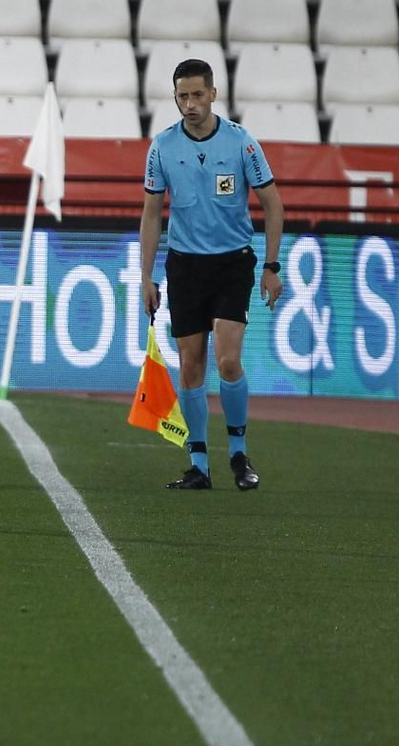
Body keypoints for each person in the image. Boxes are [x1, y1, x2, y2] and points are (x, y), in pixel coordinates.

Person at [139, 58, 285, 492]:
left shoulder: (241, 144)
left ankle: (239, 454)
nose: (190, 104)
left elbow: (273, 206)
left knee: (227, 359)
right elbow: (151, 214)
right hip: (184, 266)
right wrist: (146, 276)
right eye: (182, 96)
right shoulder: (162, 147)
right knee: (190, 368)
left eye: (197, 95)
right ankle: (199, 464)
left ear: (213, 94)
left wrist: (272, 265)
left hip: (231, 263)